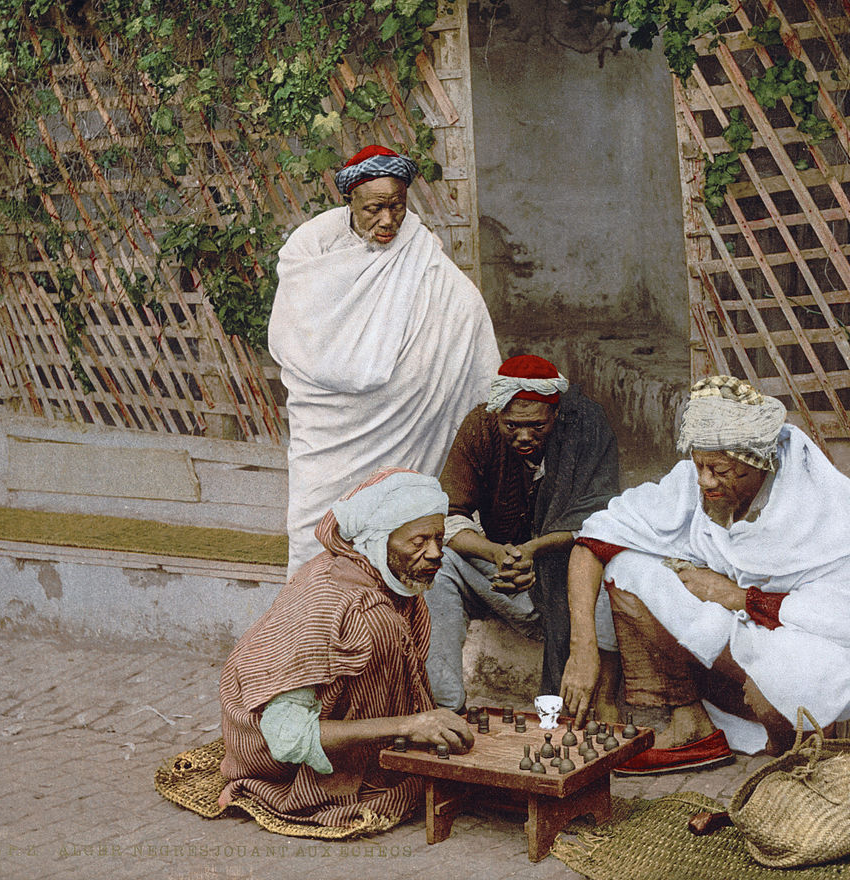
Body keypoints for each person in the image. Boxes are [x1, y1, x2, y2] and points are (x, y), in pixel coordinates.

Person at [559, 375, 850, 773]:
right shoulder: (695, 483)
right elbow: (594, 541)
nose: (705, 480)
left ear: (758, 463)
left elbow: (844, 619)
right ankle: (690, 722)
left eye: (719, 469)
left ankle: (806, 738)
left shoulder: (816, 507)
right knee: (627, 566)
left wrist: (735, 595)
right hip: (737, 631)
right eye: (699, 465)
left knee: (779, 688)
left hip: (814, 646)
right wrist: (582, 649)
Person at [267, 145, 500, 570]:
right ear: (350, 201)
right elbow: (296, 335)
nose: (388, 220)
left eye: (397, 206)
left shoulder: (420, 256)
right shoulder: (312, 249)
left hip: (406, 429)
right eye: (374, 208)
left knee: (399, 530)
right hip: (327, 429)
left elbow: (464, 309)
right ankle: (315, 607)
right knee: (315, 529)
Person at [218, 468, 473, 829]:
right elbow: (287, 739)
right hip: (268, 749)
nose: (434, 553)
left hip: (318, 725)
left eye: (438, 539)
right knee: (378, 623)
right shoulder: (334, 602)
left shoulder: (391, 584)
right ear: (377, 540)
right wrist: (408, 725)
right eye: (418, 542)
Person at [425, 354, 622, 718]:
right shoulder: (480, 427)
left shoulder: (585, 427)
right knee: (441, 564)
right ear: (497, 414)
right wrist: (496, 554)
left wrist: (535, 549)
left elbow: (600, 520)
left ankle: (603, 702)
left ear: (556, 415)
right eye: (512, 425)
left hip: (570, 585)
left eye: (537, 426)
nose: (524, 437)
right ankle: (446, 706)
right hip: (507, 577)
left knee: (616, 565)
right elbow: (448, 516)